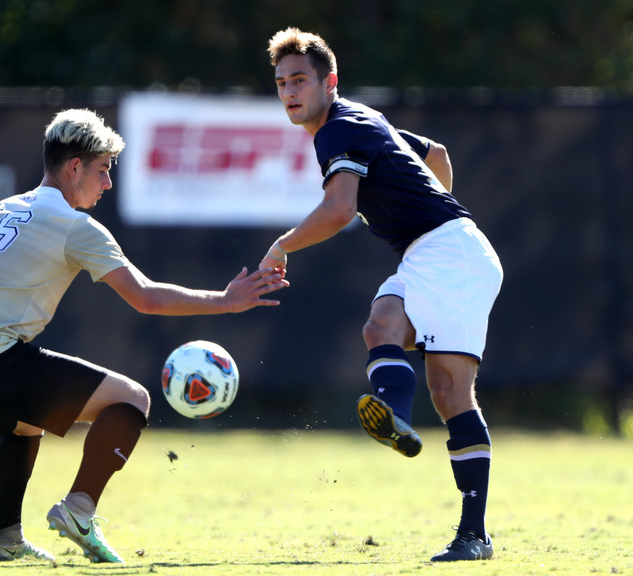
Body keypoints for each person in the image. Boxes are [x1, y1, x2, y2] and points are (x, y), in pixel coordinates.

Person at [0, 109, 287, 564]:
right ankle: (79, 510)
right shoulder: (73, 226)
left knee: (25, 422)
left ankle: (7, 540)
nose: (107, 182)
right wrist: (226, 300)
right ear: (74, 167)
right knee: (132, 400)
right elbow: (146, 298)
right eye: (102, 170)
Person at [260, 28, 503, 562]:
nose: (290, 92)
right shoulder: (360, 119)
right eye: (281, 83)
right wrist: (436, 213)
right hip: (435, 251)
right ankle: (394, 411)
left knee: (450, 392)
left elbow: (339, 210)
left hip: (451, 254)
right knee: (381, 327)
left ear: (330, 82)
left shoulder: (338, 128)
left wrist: (281, 246)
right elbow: (436, 154)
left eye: (300, 80)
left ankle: (474, 535)